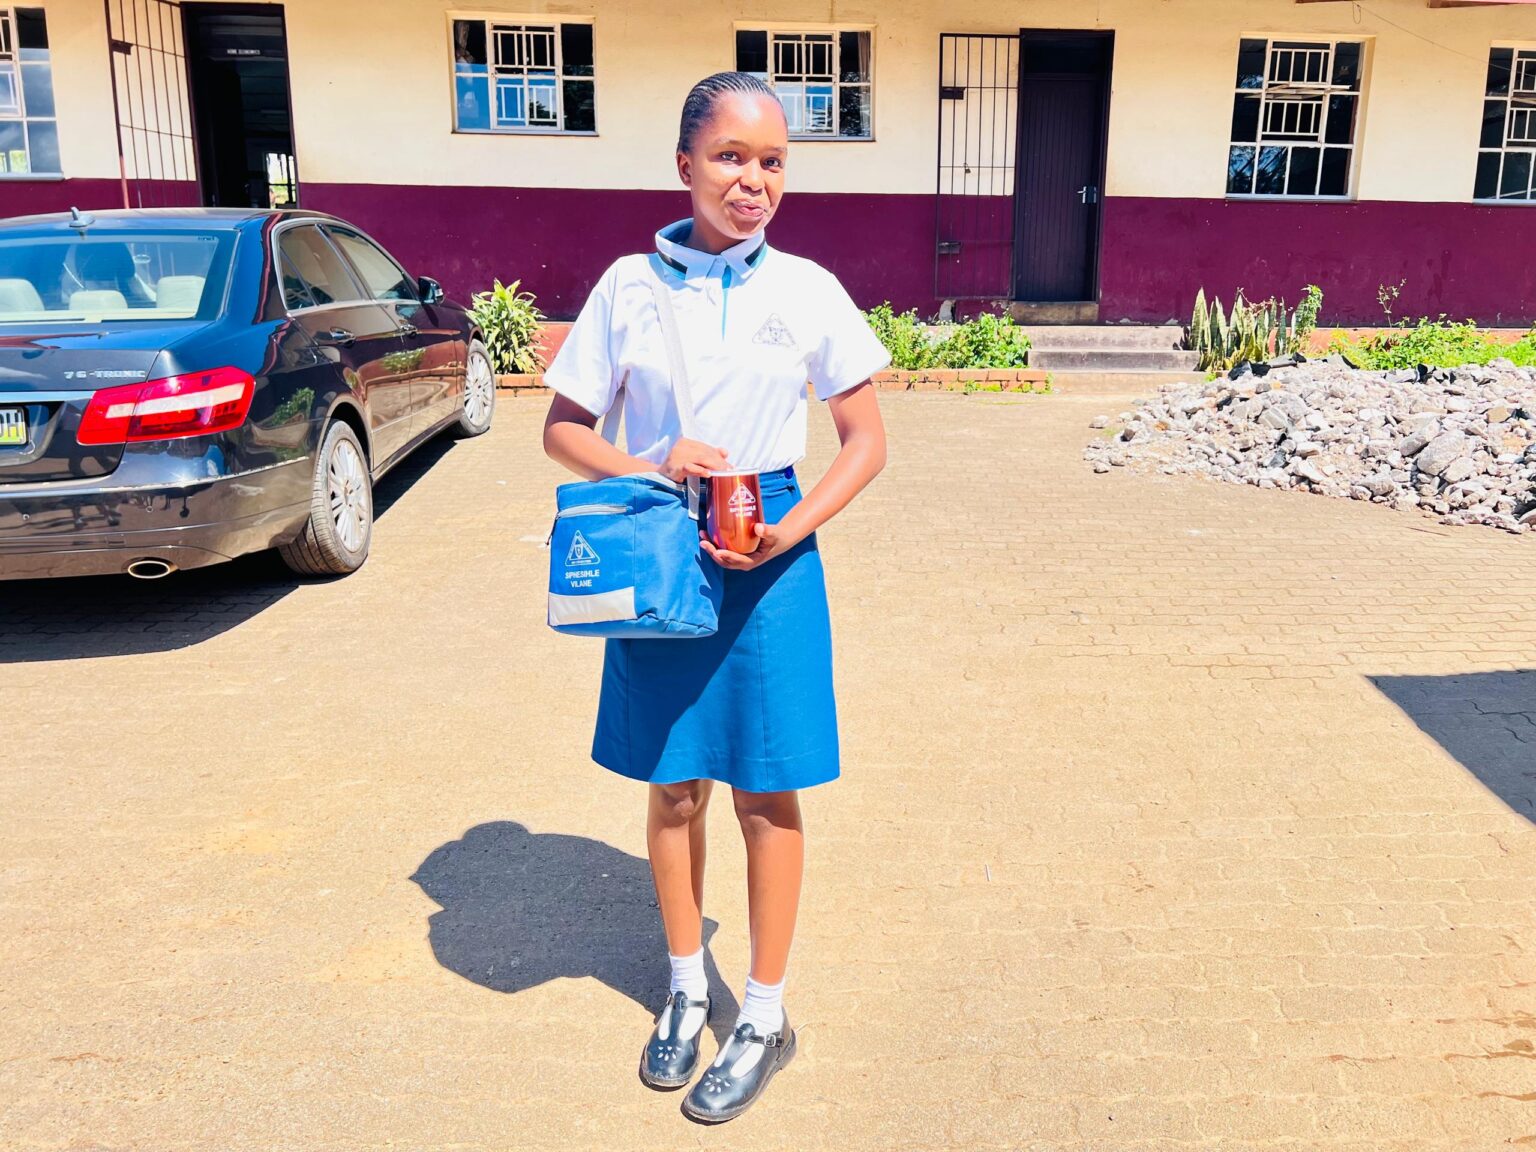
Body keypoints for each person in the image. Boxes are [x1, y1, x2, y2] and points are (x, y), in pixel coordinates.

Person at [540, 71, 890, 1123]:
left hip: (773, 546)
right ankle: (687, 986)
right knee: (675, 783)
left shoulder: (809, 288)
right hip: (662, 546)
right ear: (685, 164)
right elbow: (562, 431)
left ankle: (766, 1014)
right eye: (731, 157)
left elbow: (865, 440)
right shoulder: (626, 287)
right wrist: (649, 461)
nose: (752, 182)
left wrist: (794, 525)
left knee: (767, 790)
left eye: (772, 162)